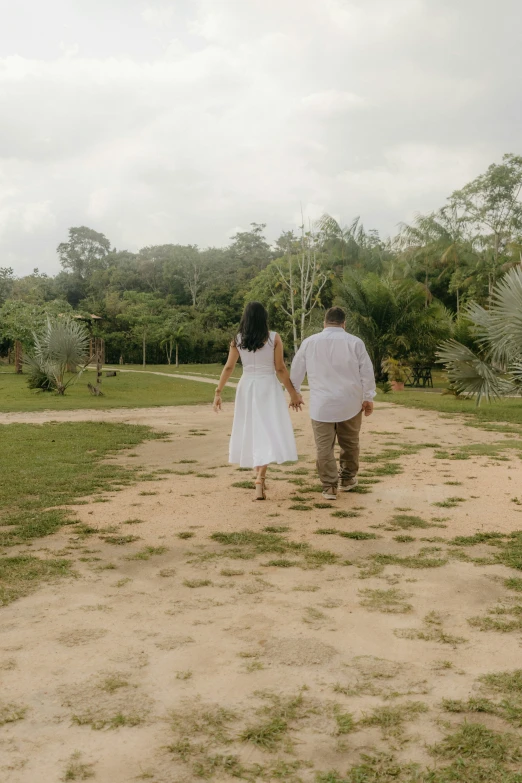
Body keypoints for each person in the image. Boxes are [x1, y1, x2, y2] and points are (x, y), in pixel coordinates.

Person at [214, 302, 303, 500]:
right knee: (267, 428)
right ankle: (260, 477)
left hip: (247, 386)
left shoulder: (237, 339)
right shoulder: (273, 338)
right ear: (264, 318)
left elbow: (228, 367)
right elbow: (280, 369)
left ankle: (259, 473)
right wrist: (293, 393)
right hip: (268, 386)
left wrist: (218, 391)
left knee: (253, 428)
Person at [290, 306, 376, 501]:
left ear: (324, 322)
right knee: (350, 443)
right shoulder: (355, 342)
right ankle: (347, 479)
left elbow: (296, 369)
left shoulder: (310, 342)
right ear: (344, 323)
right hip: (350, 402)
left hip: (322, 405)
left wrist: (295, 393)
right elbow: (367, 372)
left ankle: (329, 486)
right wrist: (368, 398)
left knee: (324, 447)